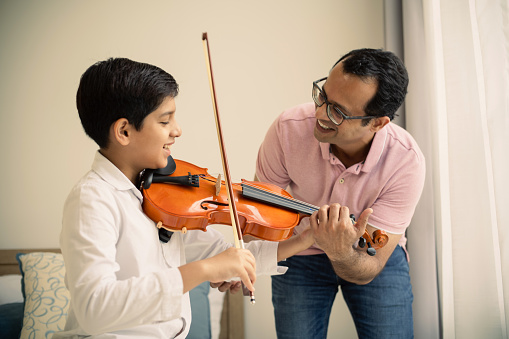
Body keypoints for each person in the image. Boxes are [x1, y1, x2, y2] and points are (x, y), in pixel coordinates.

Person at [55, 57, 315, 338]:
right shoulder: (93, 200)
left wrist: (307, 238)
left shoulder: (160, 197)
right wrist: (203, 270)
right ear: (124, 131)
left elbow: (230, 256)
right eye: (165, 120)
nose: (177, 130)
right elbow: (94, 309)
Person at [255, 48, 425, 338]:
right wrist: (242, 262)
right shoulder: (288, 129)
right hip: (300, 250)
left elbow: (369, 267)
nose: (320, 114)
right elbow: (258, 211)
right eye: (322, 97)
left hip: (370, 255)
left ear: (377, 122)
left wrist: (339, 249)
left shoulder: (406, 161)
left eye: (338, 111)